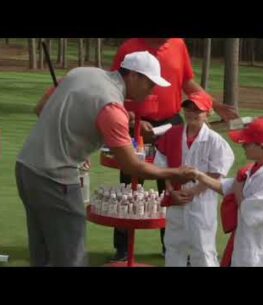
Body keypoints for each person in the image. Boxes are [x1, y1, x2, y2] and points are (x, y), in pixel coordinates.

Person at [15, 51, 196, 267]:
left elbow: (41, 109)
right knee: (71, 257)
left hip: (26, 168)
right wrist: (176, 172)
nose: (152, 90)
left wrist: (79, 141)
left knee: (43, 254)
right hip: (57, 179)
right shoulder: (111, 107)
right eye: (149, 83)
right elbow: (132, 166)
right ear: (134, 76)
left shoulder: (82, 73)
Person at [110, 38, 239, 261]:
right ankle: (123, 249)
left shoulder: (178, 44)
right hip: (135, 122)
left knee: (170, 182)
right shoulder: (129, 47)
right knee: (130, 185)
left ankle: (169, 245)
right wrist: (130, 121)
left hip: (171, 121)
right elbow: (115, 88)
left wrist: (215, 105)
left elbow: (188, 82)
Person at [154, 91, 235, 266]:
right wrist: (170, 189)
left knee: (203, 250)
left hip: (202, 202)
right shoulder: (172, 134)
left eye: (197, 110)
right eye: (188, 108)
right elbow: (162, 165)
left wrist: (194, 191)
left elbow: (218, 172)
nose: (191, 113)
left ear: (208, 113)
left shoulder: (216, 141)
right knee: (173, 247)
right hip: (176, 200)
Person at [194, 118, 263, 266]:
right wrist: (199, 175)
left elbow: (247, 210)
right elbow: (225, 187)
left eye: (247, 142)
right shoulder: (256, 169)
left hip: (258, 255)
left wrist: (238, 185)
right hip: (245, 247)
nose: (242, 145)